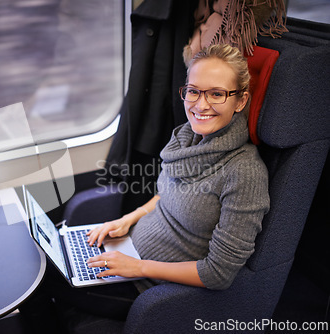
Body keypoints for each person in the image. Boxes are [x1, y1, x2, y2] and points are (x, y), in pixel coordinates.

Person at [19, 43, 270, 331]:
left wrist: (137, 267)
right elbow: (167, 197)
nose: (201, 105)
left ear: (240, 101)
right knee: (36, 255)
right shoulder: (186, 140)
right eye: (194, 91)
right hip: (128, 254)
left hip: (150, 286)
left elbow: (218, 273)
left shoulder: (245, 173)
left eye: (216, 94)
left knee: (32, 278)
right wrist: (125, 221)